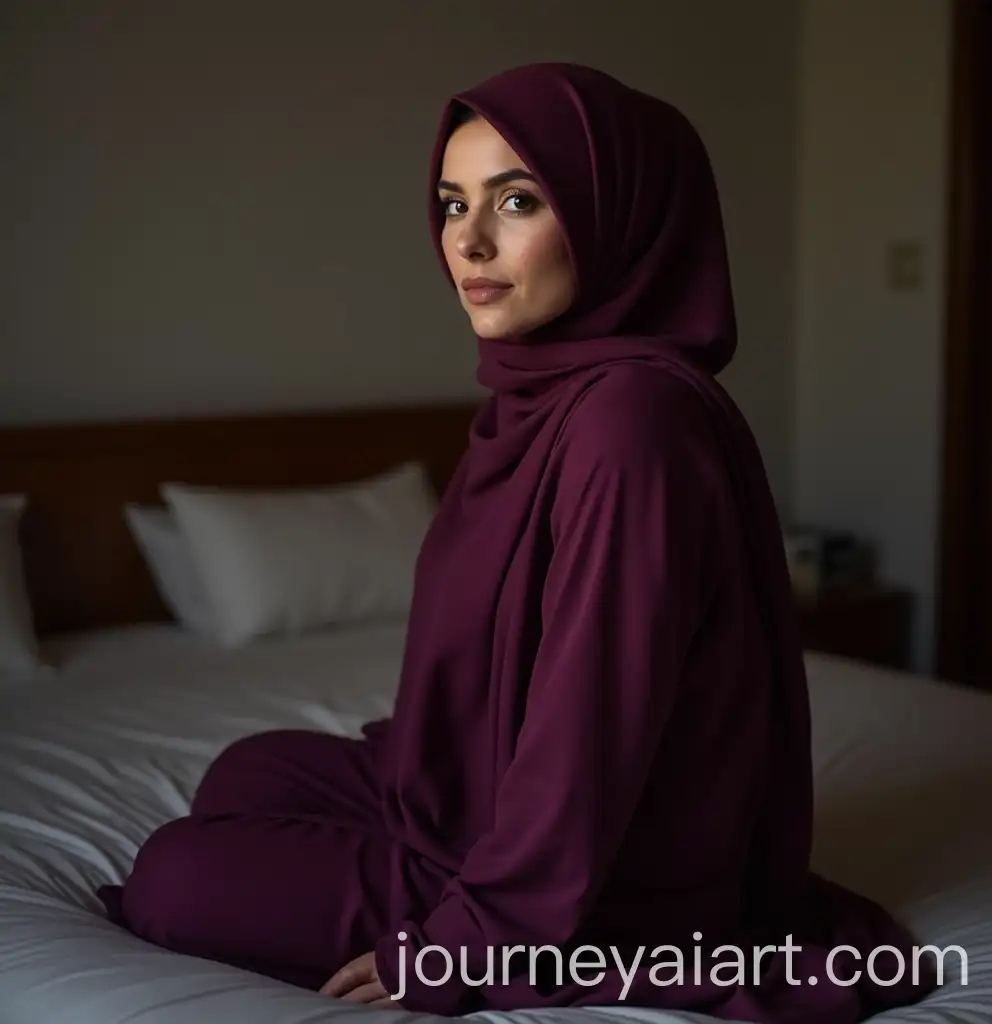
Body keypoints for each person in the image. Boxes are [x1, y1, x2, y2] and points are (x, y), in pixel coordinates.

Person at [97, 63, 936, 1021]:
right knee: (248, 770)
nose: (469, 239)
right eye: (453, 203)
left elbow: (598, 714)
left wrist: (466, 943)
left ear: (619, 216)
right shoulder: (540, 398)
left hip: (605, 876)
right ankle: (447, 846)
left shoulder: (633, 420)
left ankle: (494, 901)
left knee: (177, 876)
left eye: (519, 200)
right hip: (496, 795)